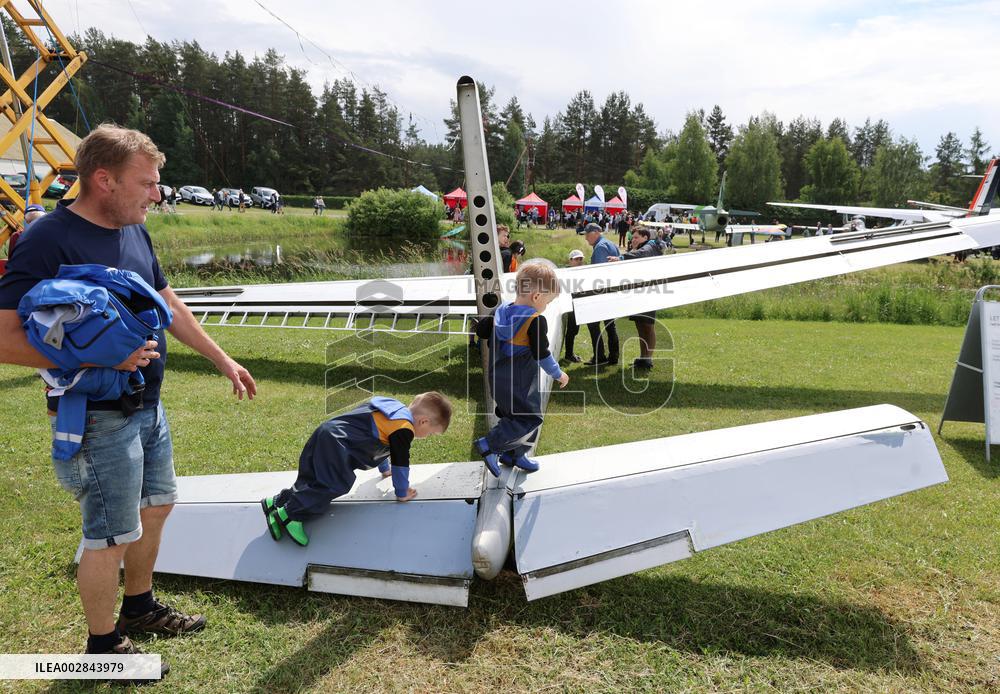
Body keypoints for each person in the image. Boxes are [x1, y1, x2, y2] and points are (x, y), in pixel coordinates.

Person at [0, 124, 257, 678]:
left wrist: (222, 359)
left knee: (155, 507)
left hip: (148, 405)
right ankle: (102, 647)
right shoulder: (49, 239)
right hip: (95, 415)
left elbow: (171, 306)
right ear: (103, 180)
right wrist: (97, 362)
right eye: (147, 182)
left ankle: (139, 608)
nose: (156, 193)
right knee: (110, 533)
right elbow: (3, 336)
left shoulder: (134, 230)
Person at [262, 392, 451, 546]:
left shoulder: (392, 409)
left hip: (327, 432)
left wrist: (385, 470)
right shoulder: (404, 428)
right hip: (338, 445)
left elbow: (379, 439)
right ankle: (289, 514)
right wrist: (402, 492)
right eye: (432, 434)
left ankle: (276, 502)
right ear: (423, 422)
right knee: (334, 484)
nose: (428, 437)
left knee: (312, 478)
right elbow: (401, 462)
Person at [474, 261, 569, 475]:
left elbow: (480, 331)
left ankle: (514, 455)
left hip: (497, 379)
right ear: (536, 297)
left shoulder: (501, 311)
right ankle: (490, 444)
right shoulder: (535, 320)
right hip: (520, 382)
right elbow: (542, 354)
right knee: (530, 418)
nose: (546, 306)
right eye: (548, 301)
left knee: (514, 418)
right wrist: (558, 373)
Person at [622, 227, 662, 370]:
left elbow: (641, 254)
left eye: (636, 237)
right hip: (638, 293)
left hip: (649, 293)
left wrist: (622, 257)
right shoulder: (639, 248)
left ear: (645, 237)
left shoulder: (650, 247)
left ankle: (648, 359)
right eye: (632, 238)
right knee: (640, 325)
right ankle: (642, 357)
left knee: (648, 327)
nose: (633, 240)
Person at [583, 223, 621, 366]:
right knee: (610, 326)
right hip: (611, 291)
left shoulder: (600, 248)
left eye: (587, 234)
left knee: (593, 325)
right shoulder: (611, 244)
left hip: (601, 293)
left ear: (596, 233)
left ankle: (599, 357)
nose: (586, 238)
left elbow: (598, 275)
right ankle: (613, 357)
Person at [562, 249, 585, 363]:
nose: (579, 261)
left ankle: (570, 353)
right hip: (568, 306)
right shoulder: (565, 272)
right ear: (570, 260)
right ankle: (569, 354)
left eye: (581, 259)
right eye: (576, 259)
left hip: (578, 305)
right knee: (571, 330)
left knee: (574, 330)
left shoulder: (583, 272)